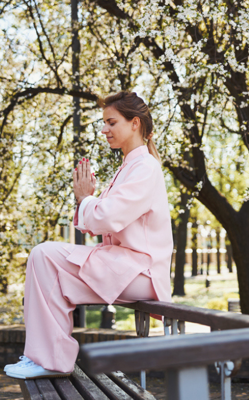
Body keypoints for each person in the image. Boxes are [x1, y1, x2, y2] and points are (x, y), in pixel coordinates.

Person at [4, 91, 173, 379]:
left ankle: (50, 359)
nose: (104, 129)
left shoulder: (145, 167)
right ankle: (48, 358)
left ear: (134, 123)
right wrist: (89, 201)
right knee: (45, 262)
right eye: (103, 122)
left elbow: (108, 217)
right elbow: (103, 217)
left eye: (111, 122)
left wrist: (85, 199)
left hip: (142, 272)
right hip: (125, 265)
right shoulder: (130, 167)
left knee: (45, 256)